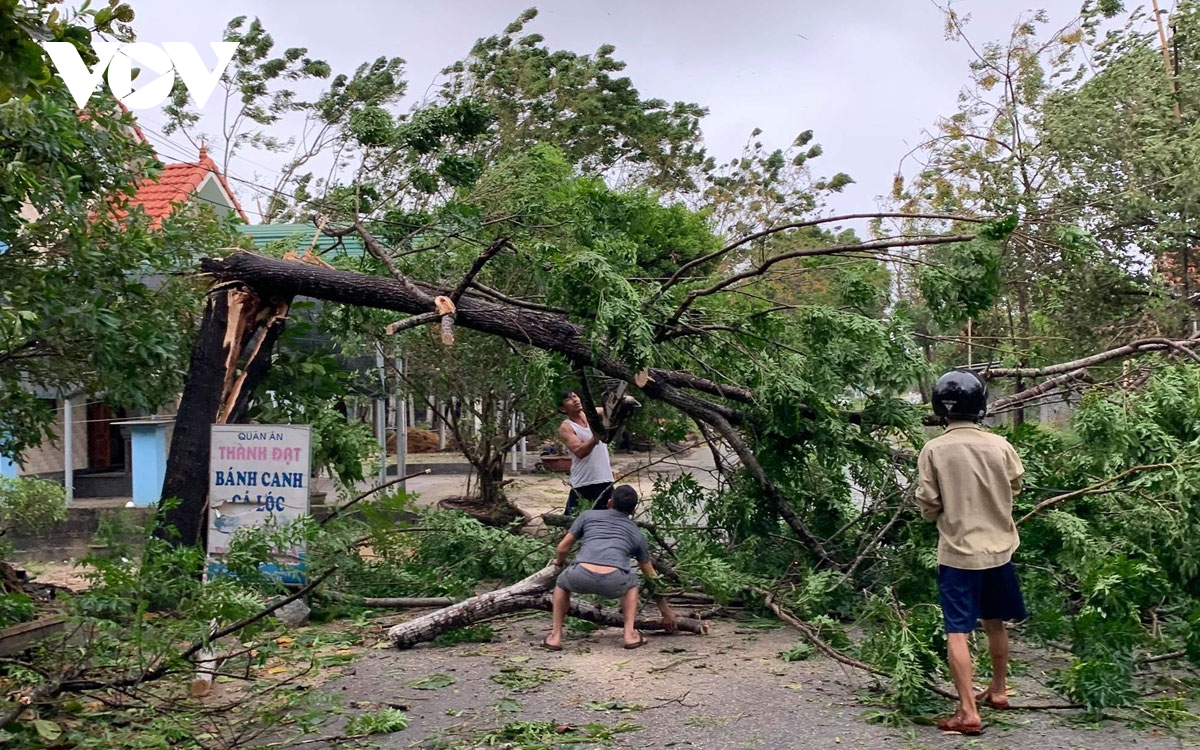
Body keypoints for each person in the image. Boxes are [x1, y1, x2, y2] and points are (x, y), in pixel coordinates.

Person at [916, 370, 1028, 736]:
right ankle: (997, 690)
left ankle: (967, 711)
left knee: (957, 631)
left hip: (958, 554)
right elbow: (1015, 487)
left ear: (941, 408)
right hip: (999, 551)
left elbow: (929, 503)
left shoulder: (933, 449)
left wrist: (940, 514)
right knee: (995, 621)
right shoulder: (1000, 446)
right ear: (980, 406)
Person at [543, 485, 678, 650]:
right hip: (614, 583)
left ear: (609, 502)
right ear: (633, 511)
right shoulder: (637, 533)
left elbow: (562, 548)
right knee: (632, 583)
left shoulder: (587, 516)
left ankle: (555, 635)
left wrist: (559, 562)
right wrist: (666, 611)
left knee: (562, 584)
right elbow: (650, 575)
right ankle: (629, 634)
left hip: (580, 576)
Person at [558, 389, 614, 514]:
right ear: (562, 409)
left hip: (605, 478)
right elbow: (579, 451)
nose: (575, 400)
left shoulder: (593, 413)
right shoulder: (566, 427)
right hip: (584, 482)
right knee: (573, 523)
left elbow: (612, 410)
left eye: (575, 396)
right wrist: (596, 437)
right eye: (569, 399)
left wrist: (620, 401)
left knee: (607, 519)